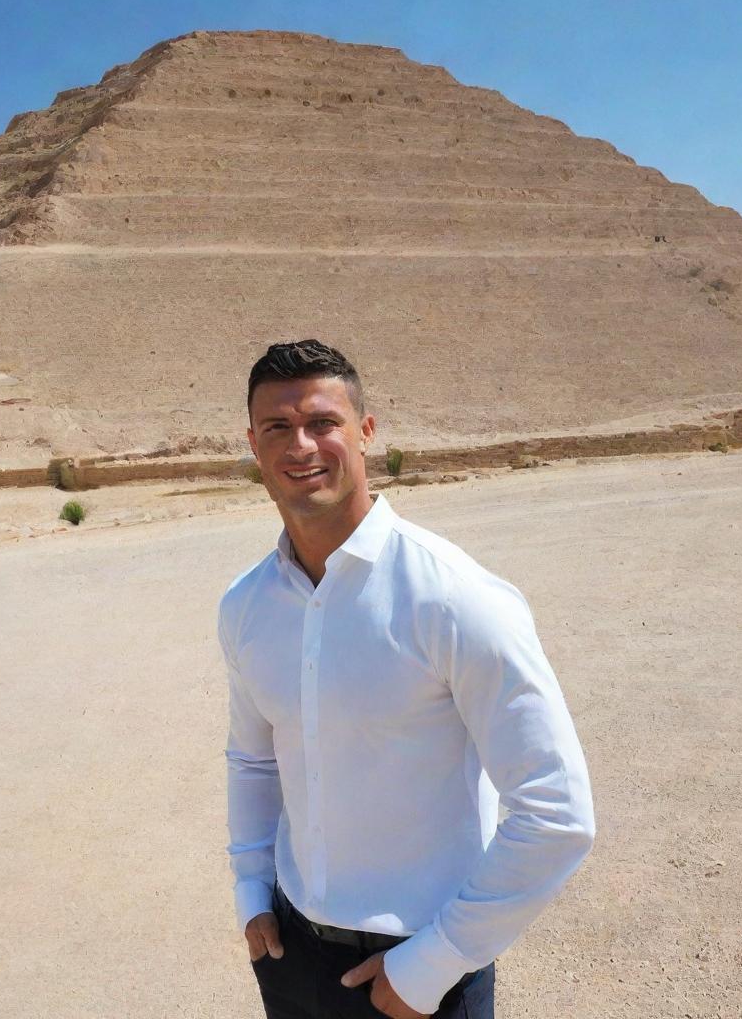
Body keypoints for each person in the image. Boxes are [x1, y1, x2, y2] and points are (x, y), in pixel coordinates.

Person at [219, 340, 596, 1019]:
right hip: (290, 957)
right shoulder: (246, 606)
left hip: (418, 973)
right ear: (253, 444)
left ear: (366, 433)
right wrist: (252, 895)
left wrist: (435, 963)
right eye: (277, 427)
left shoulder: (452, 598)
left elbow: (556, 811)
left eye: (323, 423)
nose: (300, 445)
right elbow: (253, 759)